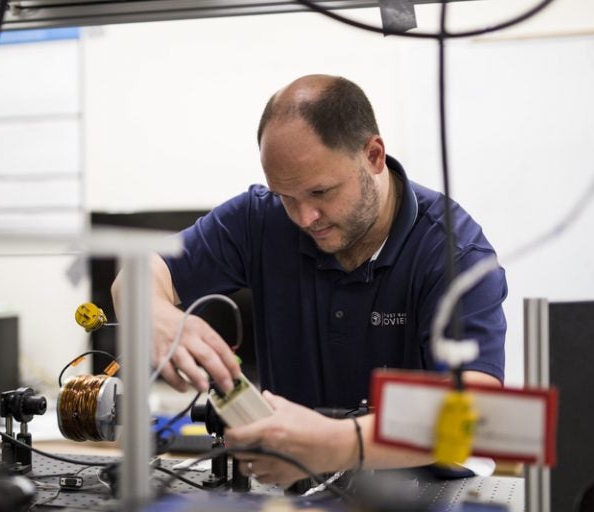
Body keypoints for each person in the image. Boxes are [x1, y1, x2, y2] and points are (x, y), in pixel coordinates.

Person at [111, 74, 507, 487]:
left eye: (321, 192)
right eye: (286, 196)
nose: (304, 218)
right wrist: (152, 312)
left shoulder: (453, 254)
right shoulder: (258, 219)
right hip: (295, 494)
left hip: (423, 494)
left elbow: (478, 416)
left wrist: (339, 443)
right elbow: (138, 273)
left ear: (373, 155)